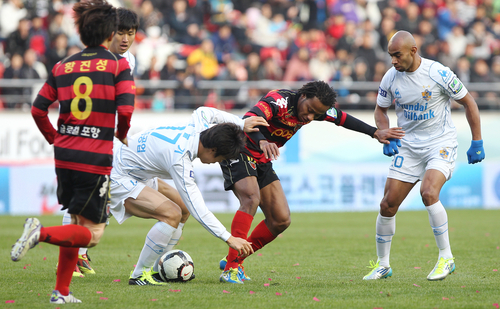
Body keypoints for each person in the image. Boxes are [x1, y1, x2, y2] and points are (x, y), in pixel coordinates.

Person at [218, 80, 405, 284]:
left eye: (316, 115)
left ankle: (235, 257)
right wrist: (262, 140)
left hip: (262, 158)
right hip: (241, 148)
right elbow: (250, 118)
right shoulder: (279, 101)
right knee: (251, 199)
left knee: (280, 219)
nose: (310, 117)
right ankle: (231, 268)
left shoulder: (317, 108)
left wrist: (375, 133)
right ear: (303, 96)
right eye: (309, 110)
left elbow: (342, 118)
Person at [10, 1, 135, 304]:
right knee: (92, 235)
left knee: (76, 223)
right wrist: (120, 134)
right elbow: (126, 110)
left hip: (64, 156)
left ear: (81, 34)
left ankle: (61, 292)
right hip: (94, 159)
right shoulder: (119, 65)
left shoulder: (61, 66)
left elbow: (38, 109)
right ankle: (39, 233)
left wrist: (55, 138)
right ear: (109, 34)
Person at [362, 31, 485, 281]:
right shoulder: (390, 78)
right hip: (408, 146)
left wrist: (477, 141)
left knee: (428, 193)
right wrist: (385, 134)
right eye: (390, 56)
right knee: (387, 204)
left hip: (440, 142)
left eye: (397, 55)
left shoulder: (437, 73)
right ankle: (383, 265)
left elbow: (469, 102)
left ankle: (446, 257)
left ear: (413, 51)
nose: (393, 61)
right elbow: (380, 110)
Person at [109, 107, 268, 285]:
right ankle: (139, 274)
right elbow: (198, 207)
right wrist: (229, 238)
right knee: (172, 213)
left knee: (182, 209)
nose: (217, 163)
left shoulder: (199, 130)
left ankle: (157, 269)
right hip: (117, 173)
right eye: (220, 159)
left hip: (136, 171)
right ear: (213, 150)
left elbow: (204, 111)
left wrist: (240, 123)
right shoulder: (180, 158)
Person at [60, 5, 140, 278]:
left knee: (95, 198)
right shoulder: (96, 59)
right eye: (120, 32)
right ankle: (72, 258)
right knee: (82, 198)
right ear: (109, 33)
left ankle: (78, 255)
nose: (125, 39)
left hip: (108, 139)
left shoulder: (128, 60)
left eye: (130, 33)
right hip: (86, 136)